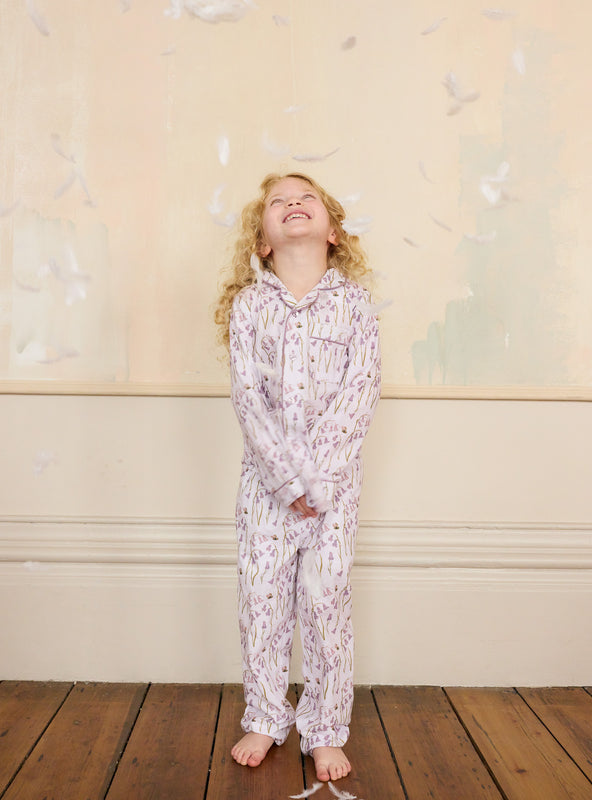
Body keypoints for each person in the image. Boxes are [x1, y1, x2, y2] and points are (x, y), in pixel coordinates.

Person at [214, 172, 381, 782]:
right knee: (262, 601)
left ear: (332, 231)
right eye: (278, 201)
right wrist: (287, 482)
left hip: (333, 491)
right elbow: (247, 399)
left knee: (325, 599)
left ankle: (325, 728)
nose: (292, 203)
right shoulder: (249, 307)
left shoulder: (356, 306)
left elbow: (360, 393)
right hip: (266, 492)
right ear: (262, 240)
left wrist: (316, 479)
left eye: (305, 197)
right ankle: (265, 715)